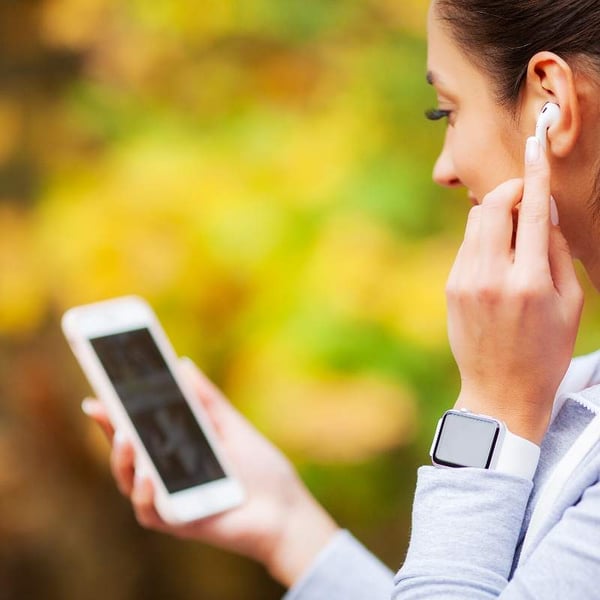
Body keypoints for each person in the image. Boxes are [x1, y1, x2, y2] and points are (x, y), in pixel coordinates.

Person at [82, 0, 600, 597]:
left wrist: (492, 409)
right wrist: (286, 527)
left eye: (447, 111)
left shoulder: (527, 402)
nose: (444, 169)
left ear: (549, 103)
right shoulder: (576, 391)